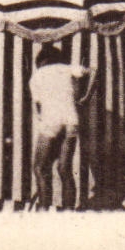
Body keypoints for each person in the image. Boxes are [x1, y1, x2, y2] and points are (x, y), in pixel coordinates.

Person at [29, 42, 94, 210]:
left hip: (52, 121)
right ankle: (68, 212)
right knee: (64, 169)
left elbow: (39, 107)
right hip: (72, 120)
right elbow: (93, 71)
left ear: (41, 61)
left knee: (40, 167)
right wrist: (85, 97)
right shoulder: (68, 68)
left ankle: (44, 209)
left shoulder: (36, 76)